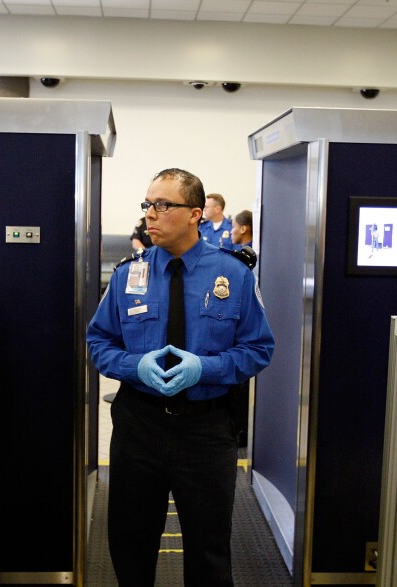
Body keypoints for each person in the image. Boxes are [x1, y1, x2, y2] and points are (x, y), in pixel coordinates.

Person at [86, 168, 274, 586]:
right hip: (139, 426)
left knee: (208, 551)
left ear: (194, 215)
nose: (150, 214)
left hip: (206, 429)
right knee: (130, 544)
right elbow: (99, 342)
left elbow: (259, 348)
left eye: (162, 205)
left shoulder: (235, 275)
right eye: (147, 204)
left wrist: (204, 369)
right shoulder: (127, 274)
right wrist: (134, 366)